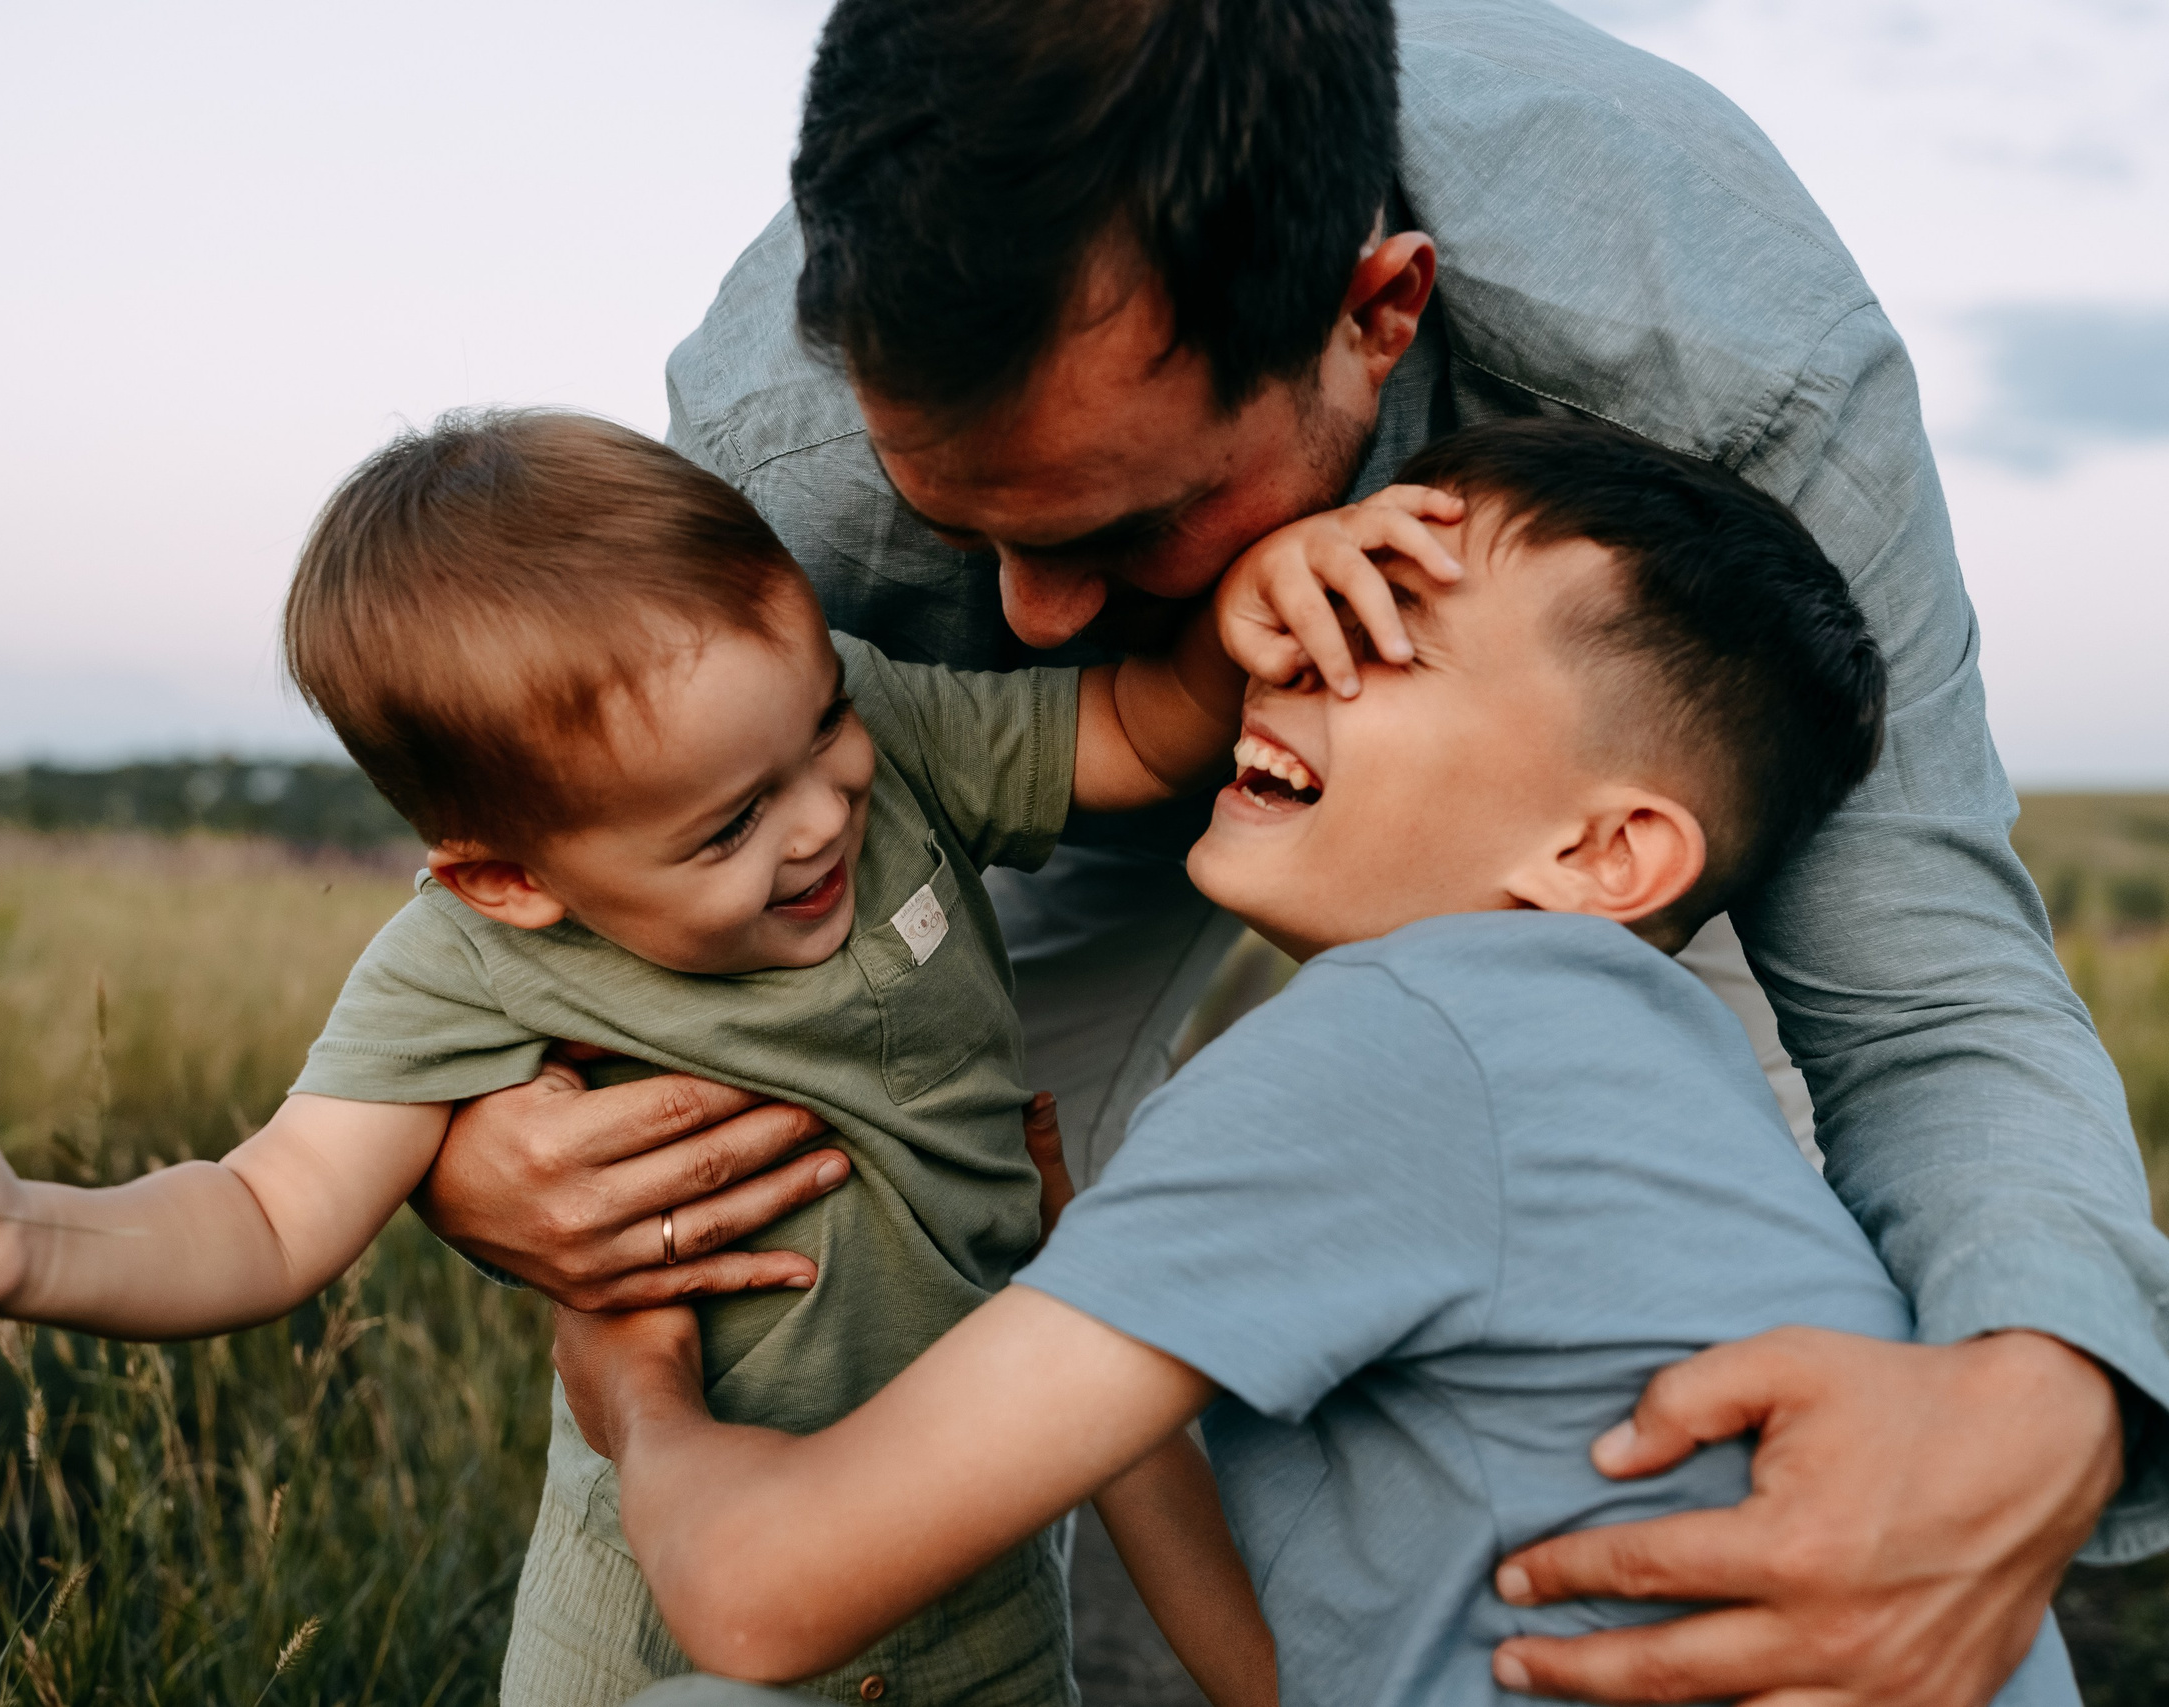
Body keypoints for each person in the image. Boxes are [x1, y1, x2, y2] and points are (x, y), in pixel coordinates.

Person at [409, 2, 2169, 1699]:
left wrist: (2043, 1396)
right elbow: (608, 859)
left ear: (1375, 313)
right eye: (971, 526)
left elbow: (1927, 1005)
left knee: (1694, 1289)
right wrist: (460, 1133)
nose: (1041, 608)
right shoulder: (793, 450)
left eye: (1130, 519)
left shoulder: (1733, 369)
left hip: (1552, 770)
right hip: (993, 760)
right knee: (773, 1225)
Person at [0, 408, 1406, 1706]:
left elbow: (1128, 730)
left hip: (967, 1562)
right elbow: (264, 1215)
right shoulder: (464, 965)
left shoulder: (872, 740)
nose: (821, 815)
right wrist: (29, 1239)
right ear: (510, 877)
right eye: (727, 825)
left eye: (823, 726)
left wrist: (1250, 622)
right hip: (653, 1613)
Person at [545, 418, 2092, 1707]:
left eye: (1387, 641)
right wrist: (1092, 1271)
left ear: (1604, 854)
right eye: (1321, 611)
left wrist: (640, 1393)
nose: (1289, 658)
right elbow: (1300, 1678)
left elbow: (761, 1596)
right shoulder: (1654, 1083)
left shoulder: (1409, 1036)